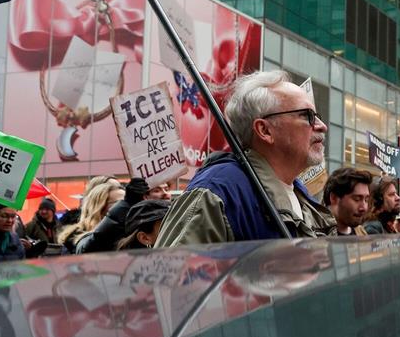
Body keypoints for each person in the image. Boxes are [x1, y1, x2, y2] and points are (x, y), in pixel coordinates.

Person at [155, 70, 337, 246]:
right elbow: (173, 274)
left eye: (316, 116)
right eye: (307, 116)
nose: (322, 126)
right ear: (265, 130)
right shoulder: (215, 193)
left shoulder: (303, 195)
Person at [75, 178, 150, 254]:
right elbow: (89, 248)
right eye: (119, 202)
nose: (127, 206)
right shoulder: (82, 239)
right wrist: (125, 204)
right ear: (99, 208)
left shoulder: (136, 233)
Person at [58, 182, 124, 253]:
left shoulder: (128, 231)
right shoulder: (75, 238)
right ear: (99, 207)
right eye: (120, 203)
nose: (125, 207)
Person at [322, 167, 372, 236]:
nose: (364, 208)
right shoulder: (314, 235)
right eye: (357, 199)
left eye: (366, 200)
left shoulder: (361, 234)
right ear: (334, 198)